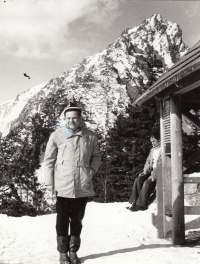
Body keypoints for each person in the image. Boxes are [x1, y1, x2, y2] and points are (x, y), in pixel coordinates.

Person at [44, 102, 101, 264]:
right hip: (62, 185)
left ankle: (73, 251)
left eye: (74, 118)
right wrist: (49, 184)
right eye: (68, 118)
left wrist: (91, 171)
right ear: (64, 119)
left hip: (82, 185)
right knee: (62, 220)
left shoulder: (90, 136)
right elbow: (48, 160)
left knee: (77, 220)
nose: (71, 121)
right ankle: (63, 253)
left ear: (80, 118)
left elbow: (96, 155)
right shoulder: (56, 136)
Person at [126, 132, 161, 212]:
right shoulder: (152, 150)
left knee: (147, 183)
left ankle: (141, 205)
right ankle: (134, 202)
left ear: (159, 140)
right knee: (138, 179)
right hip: (151, 172)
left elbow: (163, 164)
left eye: (154, 141)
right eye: (151, 141)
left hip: (159, 172)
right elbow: (148, 162)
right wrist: (144, 172)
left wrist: (153, 174)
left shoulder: (163, 149)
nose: (152, 143)